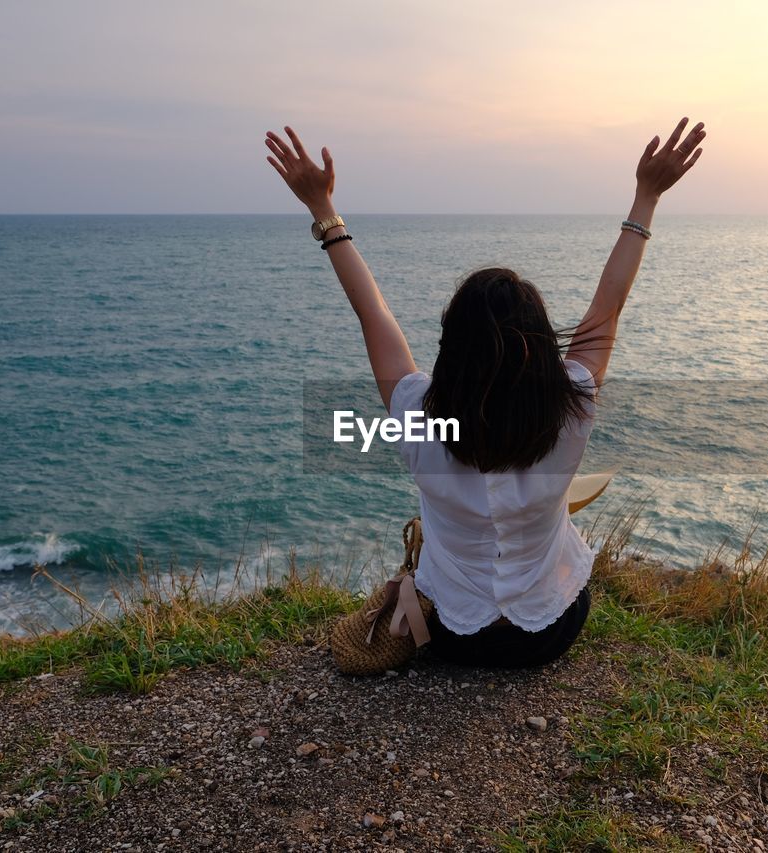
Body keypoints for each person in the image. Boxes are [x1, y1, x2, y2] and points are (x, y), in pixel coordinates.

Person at [264, 118, 706, 667]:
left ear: (452, 351)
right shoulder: (571, 405)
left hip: (456, 634)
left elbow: (371, 314)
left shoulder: (416, 415)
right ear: (543, 346)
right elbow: (607, 307)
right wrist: (646, 197)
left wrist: (323, 211)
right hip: (547, 631)